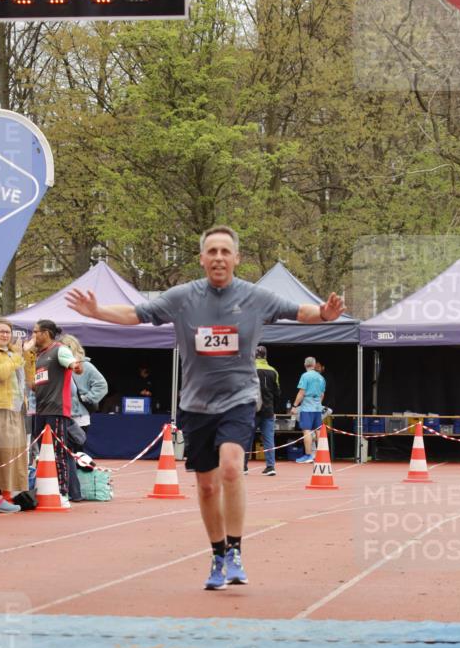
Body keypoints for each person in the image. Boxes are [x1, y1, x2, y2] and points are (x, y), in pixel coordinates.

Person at [66, 225, 344, 589]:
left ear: (236, 259)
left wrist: (325, 313)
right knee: (208, 486)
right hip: (196, 402)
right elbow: (136, 313)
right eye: (211, 251)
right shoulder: (182, 298)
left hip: (239, 398)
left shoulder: (255, 297)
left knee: (231, 468)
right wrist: (98, 311)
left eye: (225, 252)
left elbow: (299, 311)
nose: (218, 258)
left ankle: (236, 551)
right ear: (201, 259)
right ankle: (216, 553)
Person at [0, 318, 33, 512]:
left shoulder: (12, 353)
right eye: (1, 331)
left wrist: (27, 354)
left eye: (7, 332)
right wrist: (17, 357)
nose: (4, 335)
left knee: (9, 454)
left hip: (14, 408)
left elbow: (29, 378)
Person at [31, 320, 83, 507]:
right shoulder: (38, 355)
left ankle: (62, 492)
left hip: (57, 410)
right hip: (40, 409)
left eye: (35, 332)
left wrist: (75, 366)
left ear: (45, 333)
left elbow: (71, 363)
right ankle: (44, 488)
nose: (33, 335)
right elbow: (35, 384)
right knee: (41, 453)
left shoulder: (59, 350)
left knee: (58, 452)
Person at [60, 333, 108, 502]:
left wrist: (87, 397)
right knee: (67, 454)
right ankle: (72, 489)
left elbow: (102, 385)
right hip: (63, 414)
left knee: (77, 455)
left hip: (79, 416)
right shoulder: (59, 365)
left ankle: (79, 489)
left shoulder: (85, 366)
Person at [244, 345, 280, 476]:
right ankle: (270, 467)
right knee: (269, 438)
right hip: (268, 410)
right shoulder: (273, 371)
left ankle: (243, 467)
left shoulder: (249, 370)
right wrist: (274, 407)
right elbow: (277, 393)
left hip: (251, 410)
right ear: (266, 356)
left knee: (247, 438)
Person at [290, 356, 326, 463]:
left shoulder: (305, 376)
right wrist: (318, 404)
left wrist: (295, 406)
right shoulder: (321, 378)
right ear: (314, 365)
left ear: (305, 365)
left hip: (307, 407)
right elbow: (322, 394)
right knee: (318, 431)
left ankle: (308, 455)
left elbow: (302, 392)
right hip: (317, 408)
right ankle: (321, 456)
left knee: (307, 431)